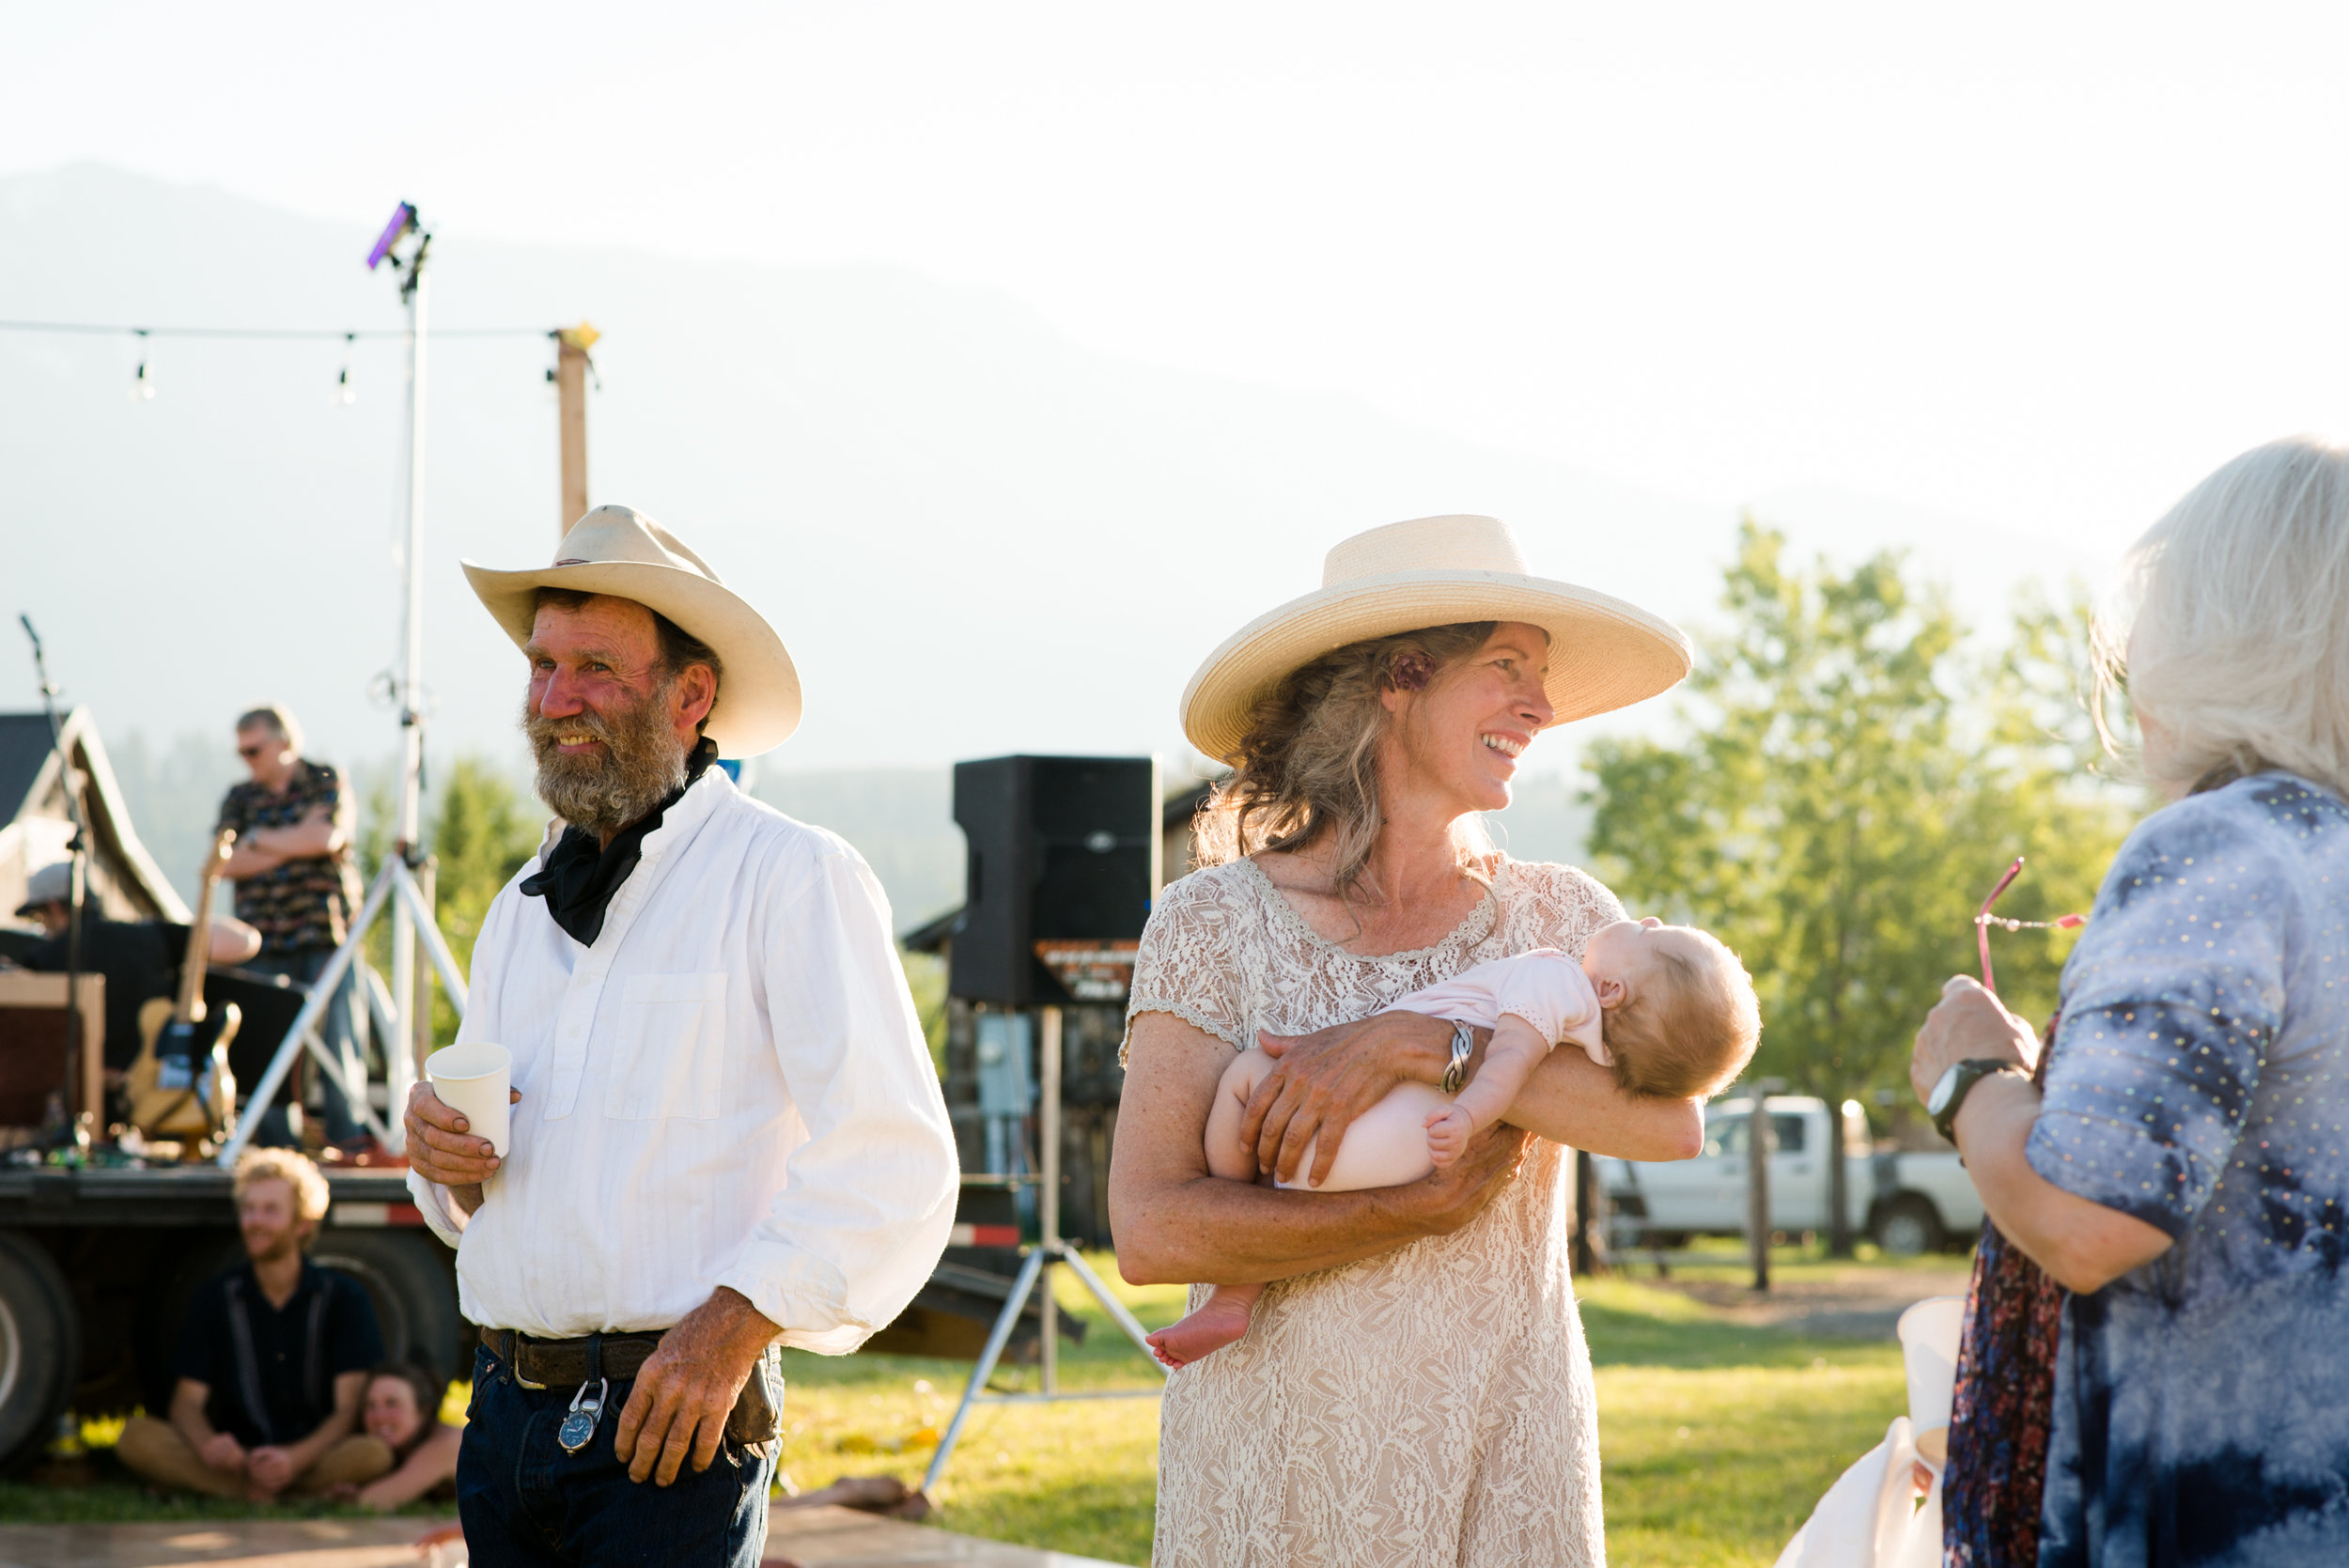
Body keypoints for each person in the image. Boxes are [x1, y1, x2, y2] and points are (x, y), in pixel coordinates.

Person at [1109, 514, 1713, 1568]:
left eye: (1542, 676)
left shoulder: (1564, 917)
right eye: (1507, 667)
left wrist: (1416, 1042)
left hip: (1505, 1459)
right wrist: (1405, 1211)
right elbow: (1151, 1230)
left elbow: (1670, 1126)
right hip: (1274, 1474)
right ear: (1401, 675)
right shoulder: (1211, 921)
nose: (1541, 705)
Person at [401, 506, 958, 1568]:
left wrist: (733, 1329)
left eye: (596, 669)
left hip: (675, 1420)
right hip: (502, 1422)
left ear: (691, 696)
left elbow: (894, 1157)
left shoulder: (792, 876)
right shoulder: (520, 905)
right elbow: (487, 1184)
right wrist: (442, 1153)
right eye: (543, 666)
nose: (555, 700)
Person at [1911, 437, 2349, 1567]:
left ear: (2217, 632)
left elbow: (2087, 1216)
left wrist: (1971, 1077)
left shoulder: (2220, 850)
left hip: (2223, 1515)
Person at [1150, 928, 1759, 1366]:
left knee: (1248, 1078)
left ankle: (1234, 1275)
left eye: (1653, 933)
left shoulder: (1557, 980)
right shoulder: (1602, 1053)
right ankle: (1236, 1295)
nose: (1644, 919)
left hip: (1370, 1128)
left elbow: (1508, 1058)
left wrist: (1466, 1113)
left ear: (1614, 990)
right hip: (1395, 1156)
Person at [116, 1147, 388, 1499]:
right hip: (238, 1459)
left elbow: (348, 1410)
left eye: (270, 1210)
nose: (255, 1221)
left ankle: (255, 1491)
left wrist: (294, 1460)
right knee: (135, 1437)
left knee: (372, 1453)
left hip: (313, 1456)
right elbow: (185, 1404)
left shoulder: (344, 1298)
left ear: (303, 1223)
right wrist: (210, 1445)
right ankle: (272, 1492)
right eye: (249, 1209)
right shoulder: (216, 1297)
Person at [215, 705, 367, 1148]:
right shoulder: (239, 797)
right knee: (267, 1045)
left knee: (340, 1040)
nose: (247, 760)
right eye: (242, 752)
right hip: (260, 943)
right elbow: (223, 863)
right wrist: (295, 839)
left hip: (327, 935)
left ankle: (349, 1142)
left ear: (284, 743)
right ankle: (276, 1145)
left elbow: (326, 838)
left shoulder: (325, 779)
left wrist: (257, 840)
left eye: (254, 750)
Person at [8, 858, 261, 1076]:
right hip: (153, 1090)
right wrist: (178, 931)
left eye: (39, 917)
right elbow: (242, 942)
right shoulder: (149, 935)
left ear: (54, 906)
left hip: (84, 1092)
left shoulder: (42, 959)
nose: (42, 928)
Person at [329, 1363, 462, 1510]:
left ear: (423, 1411)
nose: (379, 1416)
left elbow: (375, 1500)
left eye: (392, 1404)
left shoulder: (449, 1442)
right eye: (371, 1405)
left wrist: (337, 1496)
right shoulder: (401, 1450)